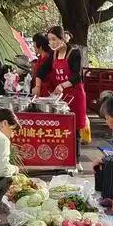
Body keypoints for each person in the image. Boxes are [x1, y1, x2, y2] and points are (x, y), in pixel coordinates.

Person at [33, 25, 86, 159]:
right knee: (62, 127)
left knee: (74, 129)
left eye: (54, 39)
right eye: (50, 40)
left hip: (75, 96)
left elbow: (77, 75)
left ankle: (76, 159)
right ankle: (62, 158)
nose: (51, 42)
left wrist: (62, 85)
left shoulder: (74, 53)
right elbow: (41, 71)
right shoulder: (53, 55)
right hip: (61, 99)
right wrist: (37, 86)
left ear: (63, 39)